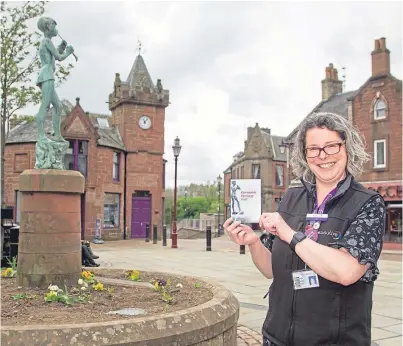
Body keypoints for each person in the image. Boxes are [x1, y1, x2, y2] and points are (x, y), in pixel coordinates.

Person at [224, 112, 385, 346]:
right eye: (313, 149)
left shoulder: (368, 203)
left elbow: (347, 271)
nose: (323, 156)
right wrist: (253, 242)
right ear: (304, 154)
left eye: (331, 146)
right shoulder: (291, 198)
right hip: (277, 337)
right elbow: (271, 269)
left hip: (335, 340)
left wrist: (289, 234)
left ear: (347, 148)